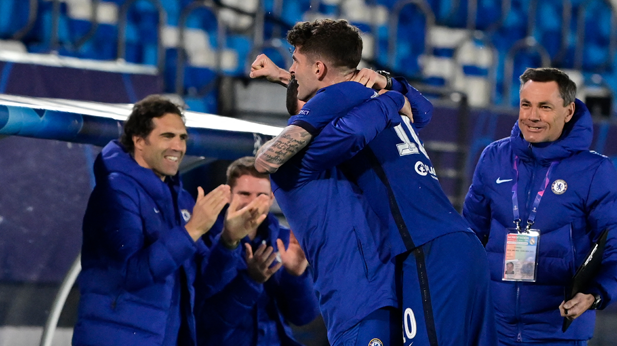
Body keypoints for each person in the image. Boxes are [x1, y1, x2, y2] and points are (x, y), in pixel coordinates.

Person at [252, 19, 496, 346]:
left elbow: (332, 107)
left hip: (425, 248)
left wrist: (384, 90)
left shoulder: (359, 112)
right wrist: (392, 92)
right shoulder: (379, 106)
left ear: (320, 68)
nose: (291, 70)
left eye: (294, 63)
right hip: (454, 245)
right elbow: (417, 110)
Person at [251, 19, 410, 346]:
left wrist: (285, 75)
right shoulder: (300, 158)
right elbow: (344, 120)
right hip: (359, 299)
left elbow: (325, 101)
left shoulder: (330, 149)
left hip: (378, 291)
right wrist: (388, 96)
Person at [72, 95, 268, 346]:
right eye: (167, 136)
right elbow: (129, 274)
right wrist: (192, 229)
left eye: (182, 137)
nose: (178, 146)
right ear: (139, 141)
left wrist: (229, 240)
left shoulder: (182, 200)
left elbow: (202, 284)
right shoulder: (115, 192)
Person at [463, 68, 617, 345]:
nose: (532, 116)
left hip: (557, 334)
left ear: (568, 112)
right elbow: (470, 235)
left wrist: (595, 293)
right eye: (526, 105)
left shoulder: (594, 171)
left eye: (544, 107)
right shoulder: (493, 158)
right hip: (493, 329)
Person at [196, 157, 319, 346]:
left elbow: (303, 317)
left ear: (271, 198)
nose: (252, 203)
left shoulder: (286, 239)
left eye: (261, 195)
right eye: (244, 193)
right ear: (229, 195)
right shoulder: (206, 237)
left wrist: (296, 276)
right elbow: (208, 319)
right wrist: (250, 281)